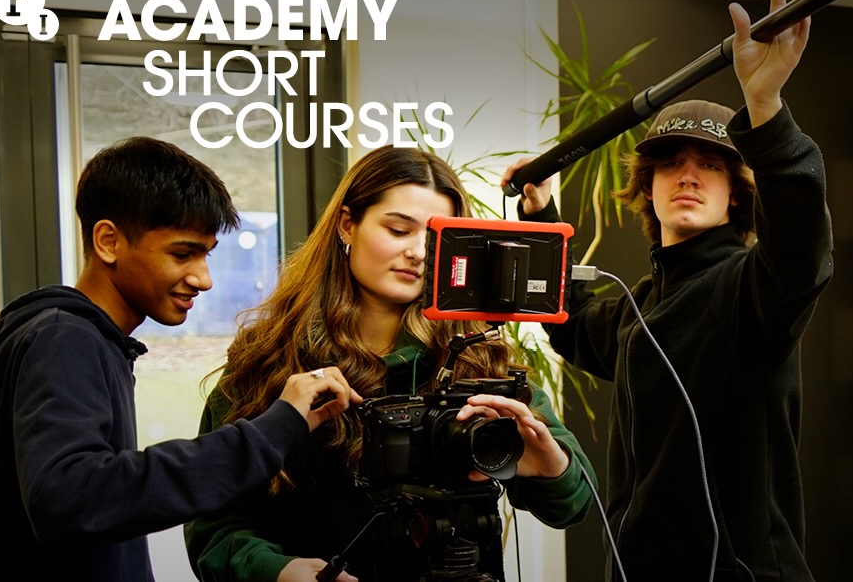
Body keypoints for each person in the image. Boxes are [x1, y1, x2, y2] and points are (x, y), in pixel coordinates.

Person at [501, 0, 833, 581]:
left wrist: (764, 108)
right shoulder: (641, 305)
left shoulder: (755, 290)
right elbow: (569, 323)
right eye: (671, 165)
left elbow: (803, 248)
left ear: (735, 196)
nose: (688, 176)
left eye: (709, 165)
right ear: (646, 189)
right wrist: (542, 214)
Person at [0, 136, 361, 582]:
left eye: (206, 255)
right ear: (108, 241)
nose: (202, 279)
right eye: (182, 253)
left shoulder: (79, 338)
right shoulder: (63, 339)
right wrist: (273, 430)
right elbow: (70, 498)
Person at [184, 145, 597, 582]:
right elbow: (215, 524)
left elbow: (574, 504)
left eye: (435, 237)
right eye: (399, 230)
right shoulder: (269, 358)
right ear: (348, 224)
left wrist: (553, 466)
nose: (419, 252)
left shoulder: (479, 358)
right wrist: (278, 571)